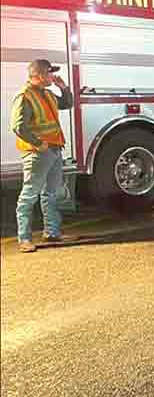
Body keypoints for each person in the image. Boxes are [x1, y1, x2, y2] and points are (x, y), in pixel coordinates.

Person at [10, 59, 74, 253]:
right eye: (49, 73)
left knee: (51, 194)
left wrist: (64, 88)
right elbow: (18, 126)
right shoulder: (25, 96)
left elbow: (67, 104)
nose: (51, 76)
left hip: (54, 150)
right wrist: (39, 143)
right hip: (38, 153)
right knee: (29, 195)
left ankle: (52, 232)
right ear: (38, 76)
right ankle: (24, 239)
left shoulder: (47, 93)